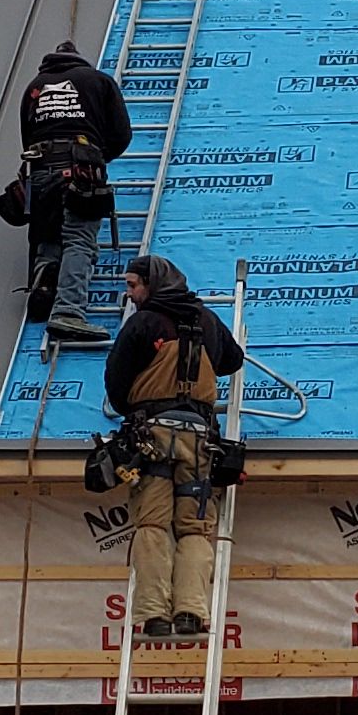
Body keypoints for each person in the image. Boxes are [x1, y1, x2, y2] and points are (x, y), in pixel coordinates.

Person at [104, 253, 241, 640]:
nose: (129, 294)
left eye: (133, 285)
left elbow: (116, 380)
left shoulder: (144, 323)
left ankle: (154, 615)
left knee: (152, 525)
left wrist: (134, 404)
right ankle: (191, 613)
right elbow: (233, 359)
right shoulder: (208, 320)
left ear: (152, 284)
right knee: (195, 528)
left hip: (152, 438)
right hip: (200, 442)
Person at [0, 28, 134, 326]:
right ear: (79, 60)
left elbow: (27, 136)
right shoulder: (97, 81)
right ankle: (68, 311)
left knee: (47, 236)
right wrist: (98, 156)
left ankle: (44, 290)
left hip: (39, 170)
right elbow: (121, 134)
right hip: (82, 170)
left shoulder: (34, 87)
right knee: (79, 239)